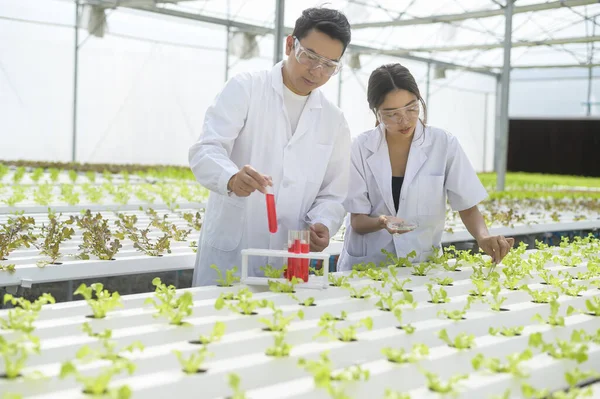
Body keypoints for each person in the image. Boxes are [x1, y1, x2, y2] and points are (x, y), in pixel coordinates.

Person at [189, 8, 352, 286]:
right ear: (290, 44)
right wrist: (230, 177)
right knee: (219, 323)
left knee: (279, 327)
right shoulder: (246, 88)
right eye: (310, 57)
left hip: (291, 258)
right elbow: (206, 149)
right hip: (233, 250)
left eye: (329, 65)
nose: (317, 71)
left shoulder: (333, 120)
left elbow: (334, 193)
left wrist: (323, 222)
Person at [337, 63, 514, 271]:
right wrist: (382, 222)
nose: (404, 120)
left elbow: (467, 205)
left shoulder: (444, 143)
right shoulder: (360, 147)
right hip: (369, 264)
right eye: (391, 114)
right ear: (376, 112)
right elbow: (357, 221)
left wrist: (483, 238)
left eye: (412, 108)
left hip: (421, 264)